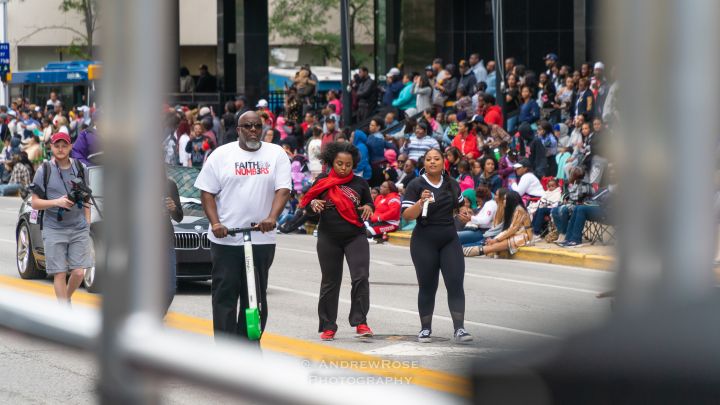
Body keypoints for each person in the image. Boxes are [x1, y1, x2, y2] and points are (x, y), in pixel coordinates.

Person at [194, 111, 291, 344]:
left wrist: (271, 217)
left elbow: (283, 190)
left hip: (261, 238)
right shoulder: (221, 155)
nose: (253, 130)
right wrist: (215, 223)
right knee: (225, 295)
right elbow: (206, 192)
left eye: (257, 126)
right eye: (247, 126)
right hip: (226, 239)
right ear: (238, 130)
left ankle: (249, 345)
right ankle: (226, 350)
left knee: (255, 297)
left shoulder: (276, 154)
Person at [300, 142, 374, 340]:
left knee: (361, 277)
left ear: (353, 164)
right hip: (328, 237)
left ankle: (361, 322)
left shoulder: (360, 183)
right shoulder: (322, 180)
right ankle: (328, 325)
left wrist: (368, 207)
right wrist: (314, 203)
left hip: (355, 236)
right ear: (332, 162)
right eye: (339, 163)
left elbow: (369, 204)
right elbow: (306, 205)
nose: (343, 168)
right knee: (330, 282)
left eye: (348, 164)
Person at [401, 148, 472, 343]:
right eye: (428, 159)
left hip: (449, 239)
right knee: (427, 286)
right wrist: (420, 202)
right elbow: (407, 215)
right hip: (424, 240)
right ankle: (425, 329)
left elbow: (459, 209)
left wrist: (464, 216)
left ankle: (460, 329)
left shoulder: (452, 184)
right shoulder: (416, 184)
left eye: (437, 159)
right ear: (424, 163)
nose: (432, 162)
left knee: (455, 283)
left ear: (443, 162)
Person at [30, 132, 92, 304]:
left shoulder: (81, 168)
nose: (60, 149)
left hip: (78, 226)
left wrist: (87, 221)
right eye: (57, 146)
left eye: (64, 145)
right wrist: (56, 202)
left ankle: (65, 301)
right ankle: (64, 310)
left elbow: (87, 198)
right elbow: (34, 203)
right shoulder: (44, 170)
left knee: (79, 272)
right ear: (51, 148)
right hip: (53, 228)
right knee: (60, 272)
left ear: (71, 146)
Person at [463, 190, 532, 257]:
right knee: (491, 245)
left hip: (523, 237)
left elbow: (512, 229)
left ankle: (463, 251)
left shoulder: (519, 210)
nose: (504, 201)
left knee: (492, 247)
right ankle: (462, 251)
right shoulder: (514, 209)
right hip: (515, 235)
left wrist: (496, 240)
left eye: (505, 199)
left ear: (511, 200)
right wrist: (496, 239)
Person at [164, 178, 183, 314]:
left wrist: (173, 208)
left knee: (169, 288)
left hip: (166, 240)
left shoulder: (169, 184)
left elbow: (179, 216)